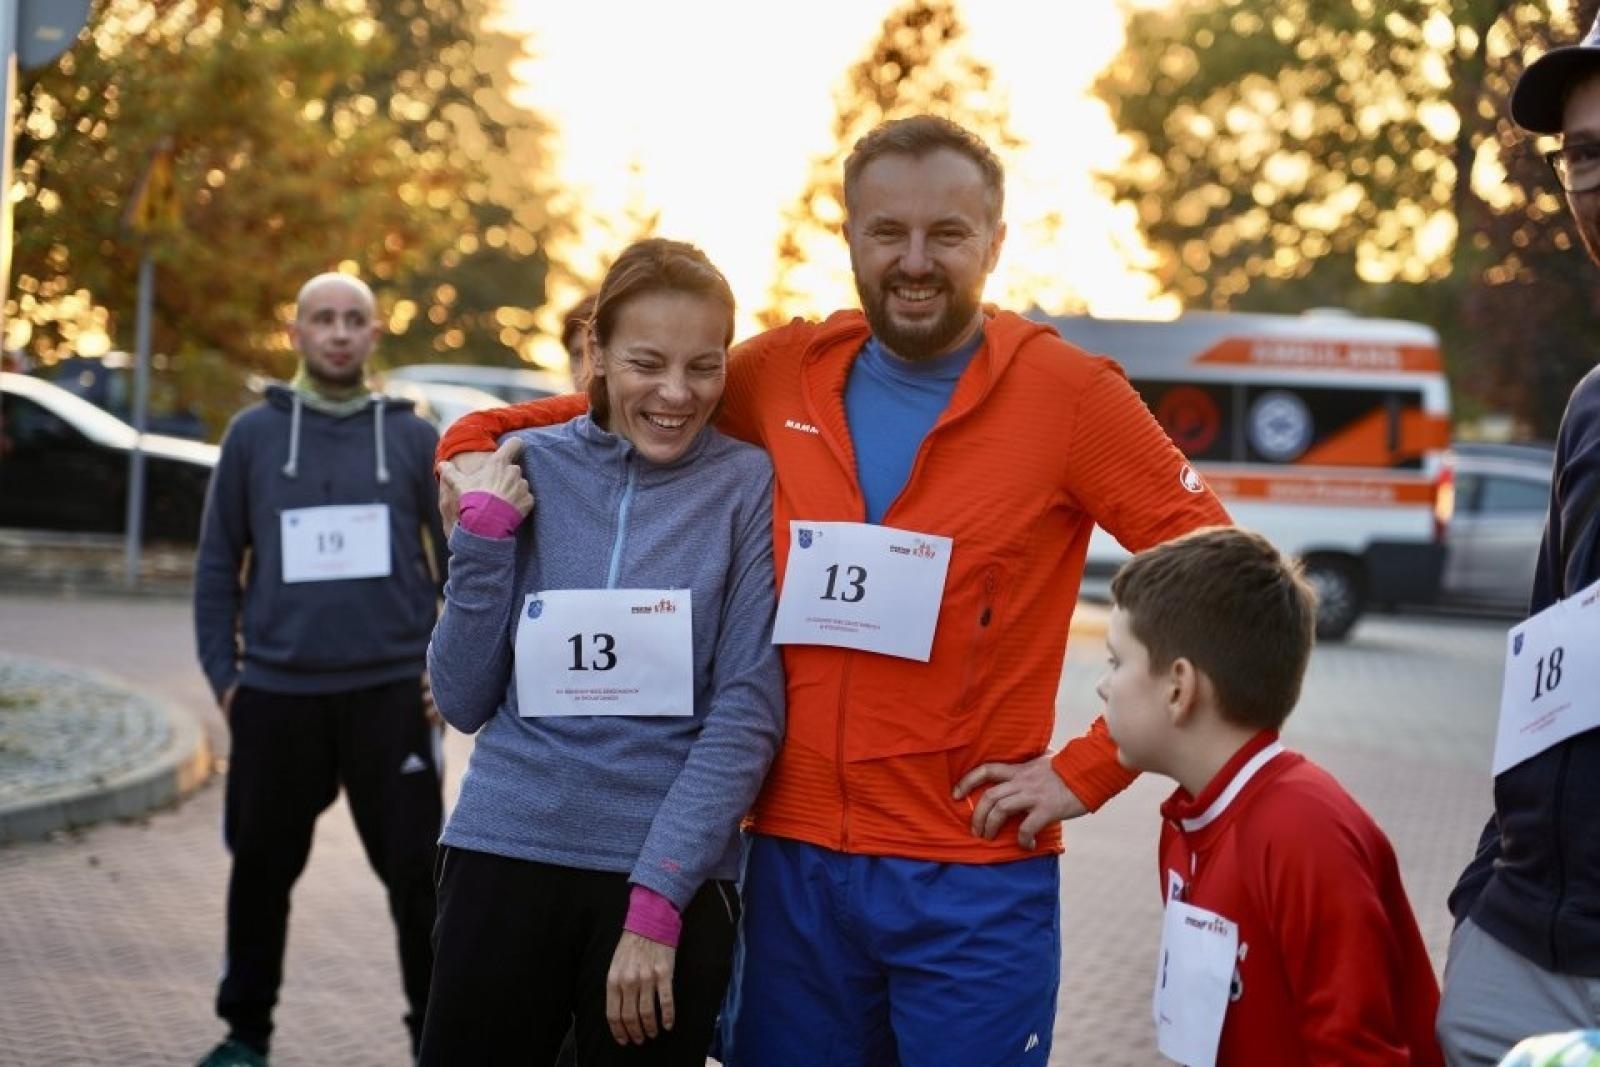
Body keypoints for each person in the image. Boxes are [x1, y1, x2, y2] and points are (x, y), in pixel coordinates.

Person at [436, 116, 1230, 1065]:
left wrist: (1089, 769)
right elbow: (621, 398)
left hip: (968, 870)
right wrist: (469, 443)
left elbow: (1228, 579)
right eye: (887, 231)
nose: (916, 260)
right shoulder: (781, 373)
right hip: (794, 868)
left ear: (997, 242)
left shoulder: (1070, 395)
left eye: (949, 233)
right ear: (848, 236)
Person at [419, 238, 785, 1065]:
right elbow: (464, 697)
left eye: (704, 366)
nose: (676, 393)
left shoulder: (745, 485)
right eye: (647, 362)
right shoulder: (526, 466)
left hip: (667, 878)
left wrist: (658, 898)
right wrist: (480, 547)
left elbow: (747, 710)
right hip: (503, 852)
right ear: (596, 351)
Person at [192, 272, 447, 1067]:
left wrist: (449, 663)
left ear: (375, 337)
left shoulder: (412, 436)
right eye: (323, 319)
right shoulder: (252, 436)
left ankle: (435, 1038)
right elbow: (213, 567)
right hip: (276, 696)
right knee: (260, 875)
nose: (339, 332)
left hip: (391, 696)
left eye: (354, 320)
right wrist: (226, 680)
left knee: (416, 879)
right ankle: (245, 1035)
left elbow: (461, 565)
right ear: (297, 333)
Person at [1099, 527, 1442, 1065]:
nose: (1103, 686)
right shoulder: (1188, 819)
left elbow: (1357, 1050)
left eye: (1117, 662)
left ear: (1178, 689)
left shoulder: (1303, 833)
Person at [1438, 15, 1600, 1064]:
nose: (1597, 182)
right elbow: (1551, 661)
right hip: (1518, 947)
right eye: (1583, 155)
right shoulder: (1590, 405)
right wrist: (1487, 888)